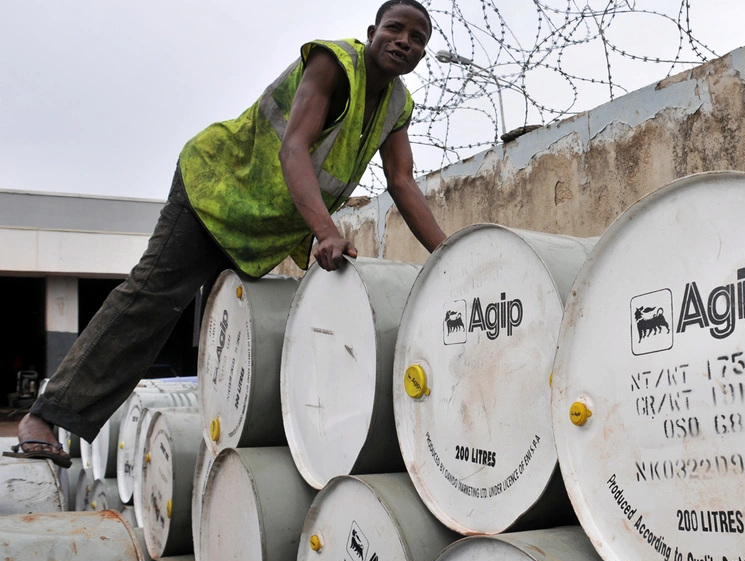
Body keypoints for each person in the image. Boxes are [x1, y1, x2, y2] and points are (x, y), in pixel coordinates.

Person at [5, 0, 445, 468]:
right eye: (395, 29)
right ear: (373, 31)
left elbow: (401, 180)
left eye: (417, 38)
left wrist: (449, 252)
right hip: (215, 189)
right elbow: (293, 146)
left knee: (237, 331)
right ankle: (46, 416)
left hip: (257, 226)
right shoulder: (333, 63)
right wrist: (326, 232)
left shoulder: (397, 103)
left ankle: (223, 449)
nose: (404, 41)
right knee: (151, 301)